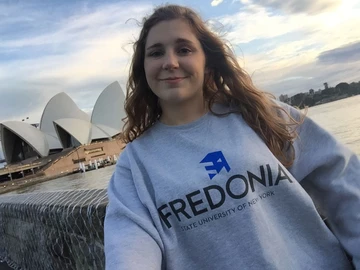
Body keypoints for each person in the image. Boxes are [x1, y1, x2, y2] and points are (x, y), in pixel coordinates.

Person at [104, 4, 360, 269]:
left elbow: (344, 183)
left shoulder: (262, 115)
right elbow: (128, 248)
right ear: (143, 69)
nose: (170, 62)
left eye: (184, 49)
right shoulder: (134, 165)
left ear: (207, 61)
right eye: (156, 53)